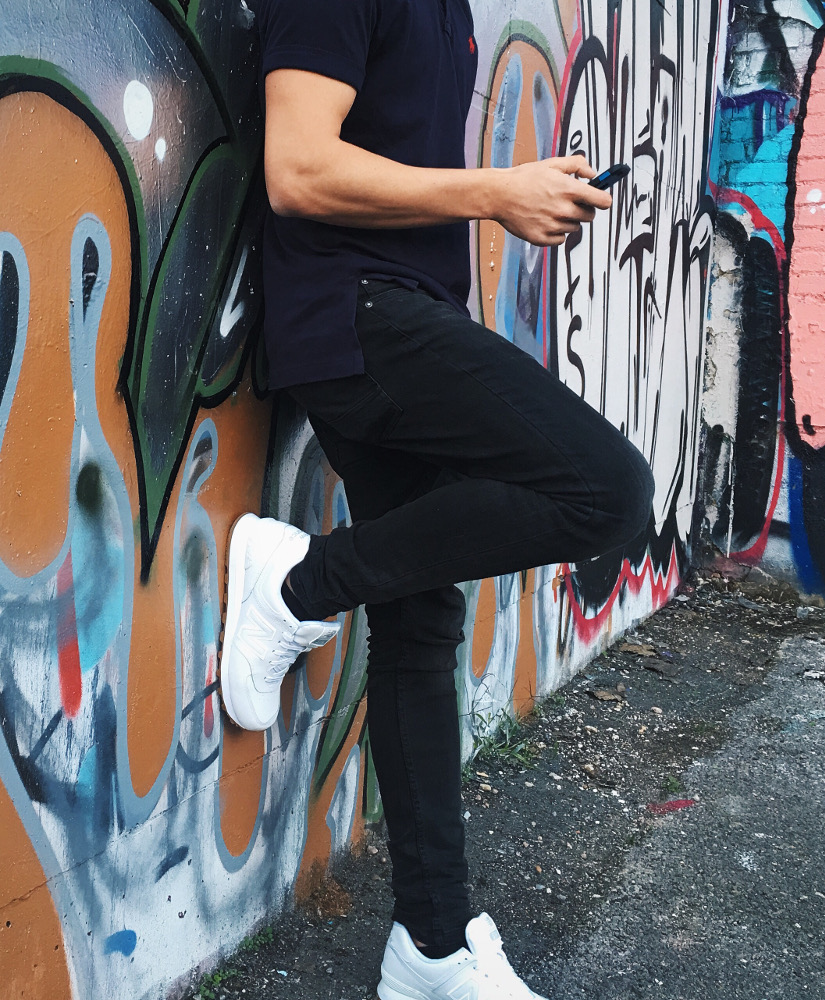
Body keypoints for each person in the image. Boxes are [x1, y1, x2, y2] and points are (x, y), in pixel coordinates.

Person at [219, 0, 656, 996]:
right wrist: (494, 191)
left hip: (390, 311)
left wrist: (511, 194)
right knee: (608, 491)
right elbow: (297, 166)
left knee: (420, 621)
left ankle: (432, 944)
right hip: (358, 314)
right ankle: (302, 581)